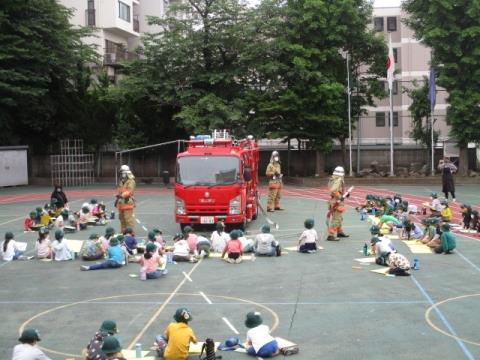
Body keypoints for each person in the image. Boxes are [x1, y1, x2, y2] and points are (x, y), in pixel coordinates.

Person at [326, 166, 349, 241]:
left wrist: (344, 194)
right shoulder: (338, 180)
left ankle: (339, 231)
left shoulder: (333, 179)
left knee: (339, 218)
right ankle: (331, 235)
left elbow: (336, 190)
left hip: (334, 201)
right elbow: (334, 191)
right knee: (337, 219)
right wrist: (340, 197)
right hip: (336, 202)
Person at [116, 165, 136, 232]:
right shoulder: (122, 181)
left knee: (128, 219)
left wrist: (122, 195)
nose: (121, 174)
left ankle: (131, 233)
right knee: (121, 218)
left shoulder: (131, 181)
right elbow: (120, 190)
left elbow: (130, 191)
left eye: (122, 173)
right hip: (121, 203)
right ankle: (123, 232)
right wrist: (119, 196)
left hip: (127, 202)